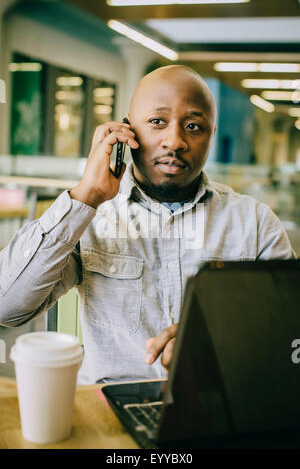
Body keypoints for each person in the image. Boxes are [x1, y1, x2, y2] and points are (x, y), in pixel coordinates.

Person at [0, 65, 295, 384]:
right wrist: (86, 195)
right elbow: (7, 307)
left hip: (216, 404)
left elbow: (288, 335)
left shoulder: (254, 222)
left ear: (211, 135)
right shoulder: (91, 217)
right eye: (157, 122)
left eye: (194, 126)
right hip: (108, 409)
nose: (175, 141)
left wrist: (221, 337)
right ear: (127, 130)